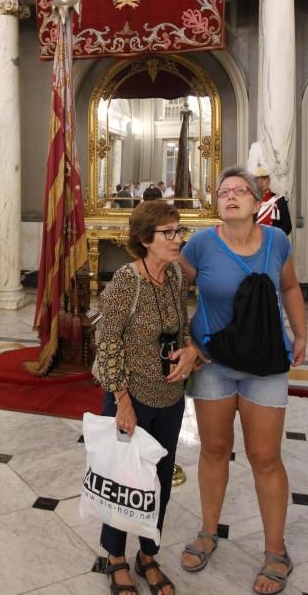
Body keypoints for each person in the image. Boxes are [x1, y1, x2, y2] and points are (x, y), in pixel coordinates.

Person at [179, 166, 307, 594]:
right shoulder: (199, 245)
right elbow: (173, 289)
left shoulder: (277, 241)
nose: (230, 196)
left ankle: (276, 551)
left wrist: (301, 332)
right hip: (213, 363)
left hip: (265, 364)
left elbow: (289, 287)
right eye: (223, 192)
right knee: (214, 450)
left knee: (265, 458)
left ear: (256, 202)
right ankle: (208, 530)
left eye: (239, 191)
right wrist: (186, 341)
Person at [97, 200, 201, 595]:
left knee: (159, 481)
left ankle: (147, 554)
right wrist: (121, 400)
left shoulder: (174, 275)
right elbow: (107, 346)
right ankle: (116, 557)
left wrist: (189, 351)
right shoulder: (126, 282)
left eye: (179, 231)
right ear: (145, 240)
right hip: (131, 399)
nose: (178, 240)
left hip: (170, 397)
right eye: (169, 233)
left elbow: (183, 326)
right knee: (124, 483)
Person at [254, 165, 292, 235]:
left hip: (272, 242)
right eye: (257, 179)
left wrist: (273, 238)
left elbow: (287, 227)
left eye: (264, 179)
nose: (261, 182)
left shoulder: (279, 200)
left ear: (269, 180)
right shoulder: (249, 200)